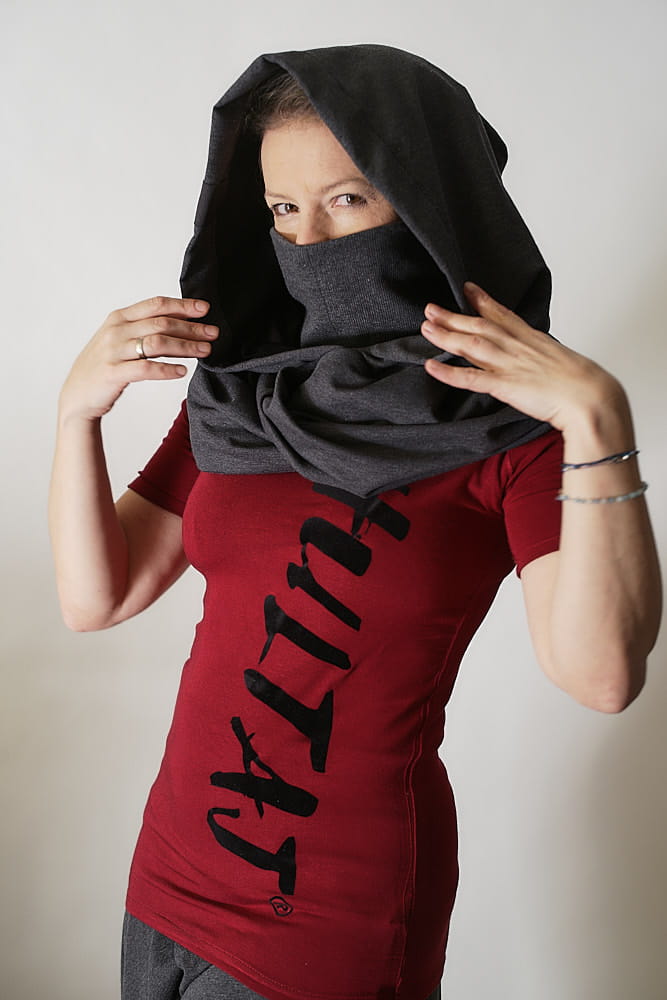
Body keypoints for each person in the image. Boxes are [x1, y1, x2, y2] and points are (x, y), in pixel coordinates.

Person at [48, 44, 661, 1000]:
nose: (312, 238)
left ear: (425, 200)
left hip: (328, 918)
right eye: (283, 210)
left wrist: (599, 421)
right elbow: (102, 597)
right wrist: (76, 415)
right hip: (166, 883)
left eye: (346, 199)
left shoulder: (511, 428)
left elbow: (602, 677)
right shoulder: (244, 399)